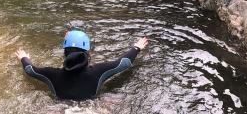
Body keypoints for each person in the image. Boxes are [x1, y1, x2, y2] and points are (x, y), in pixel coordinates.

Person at [15, 30, 149, 100]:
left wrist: (24, 57)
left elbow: (30, 70)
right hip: (91, 107)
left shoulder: (51, 75)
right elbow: (123, 63)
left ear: (64, 52)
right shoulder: (98, 72)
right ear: (87, 52)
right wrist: (136, 48)